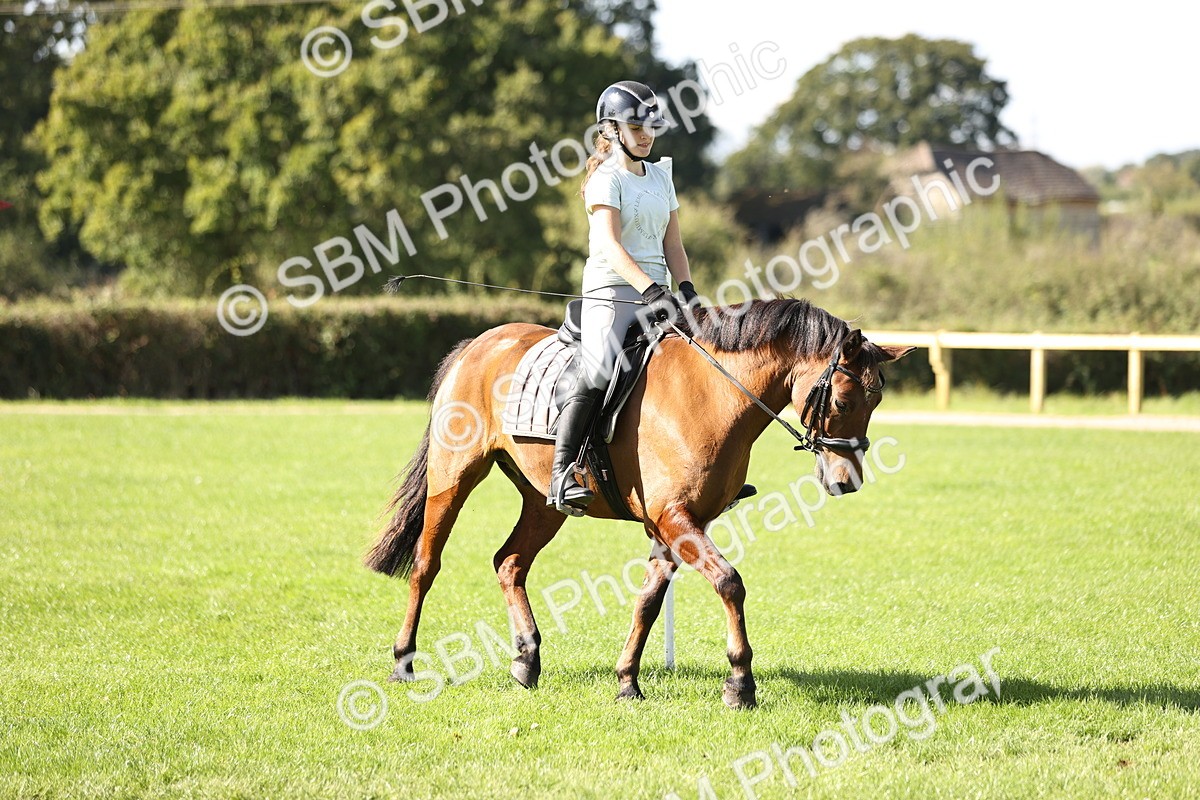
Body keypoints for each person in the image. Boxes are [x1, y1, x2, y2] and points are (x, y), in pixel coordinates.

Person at [547, 80, 699, 515]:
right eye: (636, 127)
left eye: (651, 127)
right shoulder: (605, 179)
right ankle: (562, 471)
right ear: (612, 130)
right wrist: (650, 289)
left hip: (660, 294)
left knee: (698, 359)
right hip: (611, 291)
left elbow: (674, 245)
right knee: (598, 370)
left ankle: (705, 474)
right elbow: (612, 248)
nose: (646, 135)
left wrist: (685, 290)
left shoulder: (661, 176)